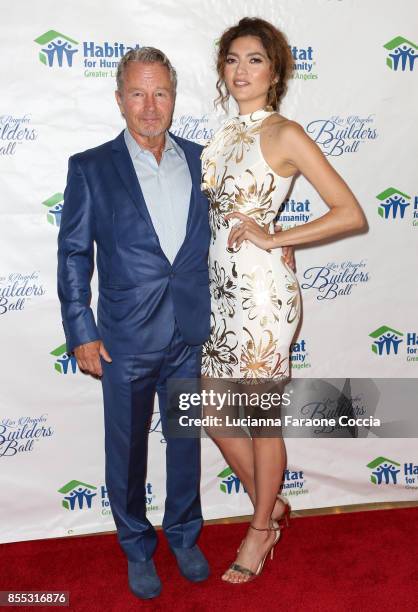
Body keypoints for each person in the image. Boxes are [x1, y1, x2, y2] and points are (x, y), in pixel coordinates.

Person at [200, 17, 367, 584]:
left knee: (261, 420)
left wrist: (278, 238)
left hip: (264, 296)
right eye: (232, 59)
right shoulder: (221, 136)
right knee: (215, 413)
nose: (241, 70)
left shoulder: (285, 132)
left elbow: (348, 211)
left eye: (254, 59)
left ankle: (259, 528)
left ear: (275, 71)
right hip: (221, 293)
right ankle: (269, 505)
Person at [57, 47, 214, 600]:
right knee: (125, 450)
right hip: (123, 337)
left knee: (185, 440)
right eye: (138, 93)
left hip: (191, 334)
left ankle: (184, 534)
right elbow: (75, 255)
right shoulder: (91, 167)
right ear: (120, 98)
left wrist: (277, 248)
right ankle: (135, 546)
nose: (150, 107)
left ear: (174, 97)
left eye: (161, 93)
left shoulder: (203, 159)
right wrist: (81, 330)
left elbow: (230, 230)